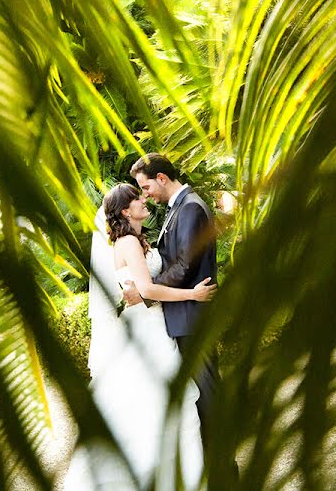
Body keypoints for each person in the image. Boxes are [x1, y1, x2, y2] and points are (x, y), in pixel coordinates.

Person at [64, 183, 215, 490]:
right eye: (137, 199)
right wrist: (193, 294)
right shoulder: (128, 243)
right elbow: (146, 290)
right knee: (155, 404)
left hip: (151, 325)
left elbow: (141, 288)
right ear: (124, 211)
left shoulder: (135, 240)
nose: (144, 200)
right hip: (146, 329)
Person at [126, 153, 222, 455]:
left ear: (162, 178)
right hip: (184, 315)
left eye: (145, 187)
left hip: (193, 316)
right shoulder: (179, 207)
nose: (146, 194)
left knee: (208, 395)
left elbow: (184, 267)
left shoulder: (191, 208)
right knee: (202, 395)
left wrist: (146, 292)